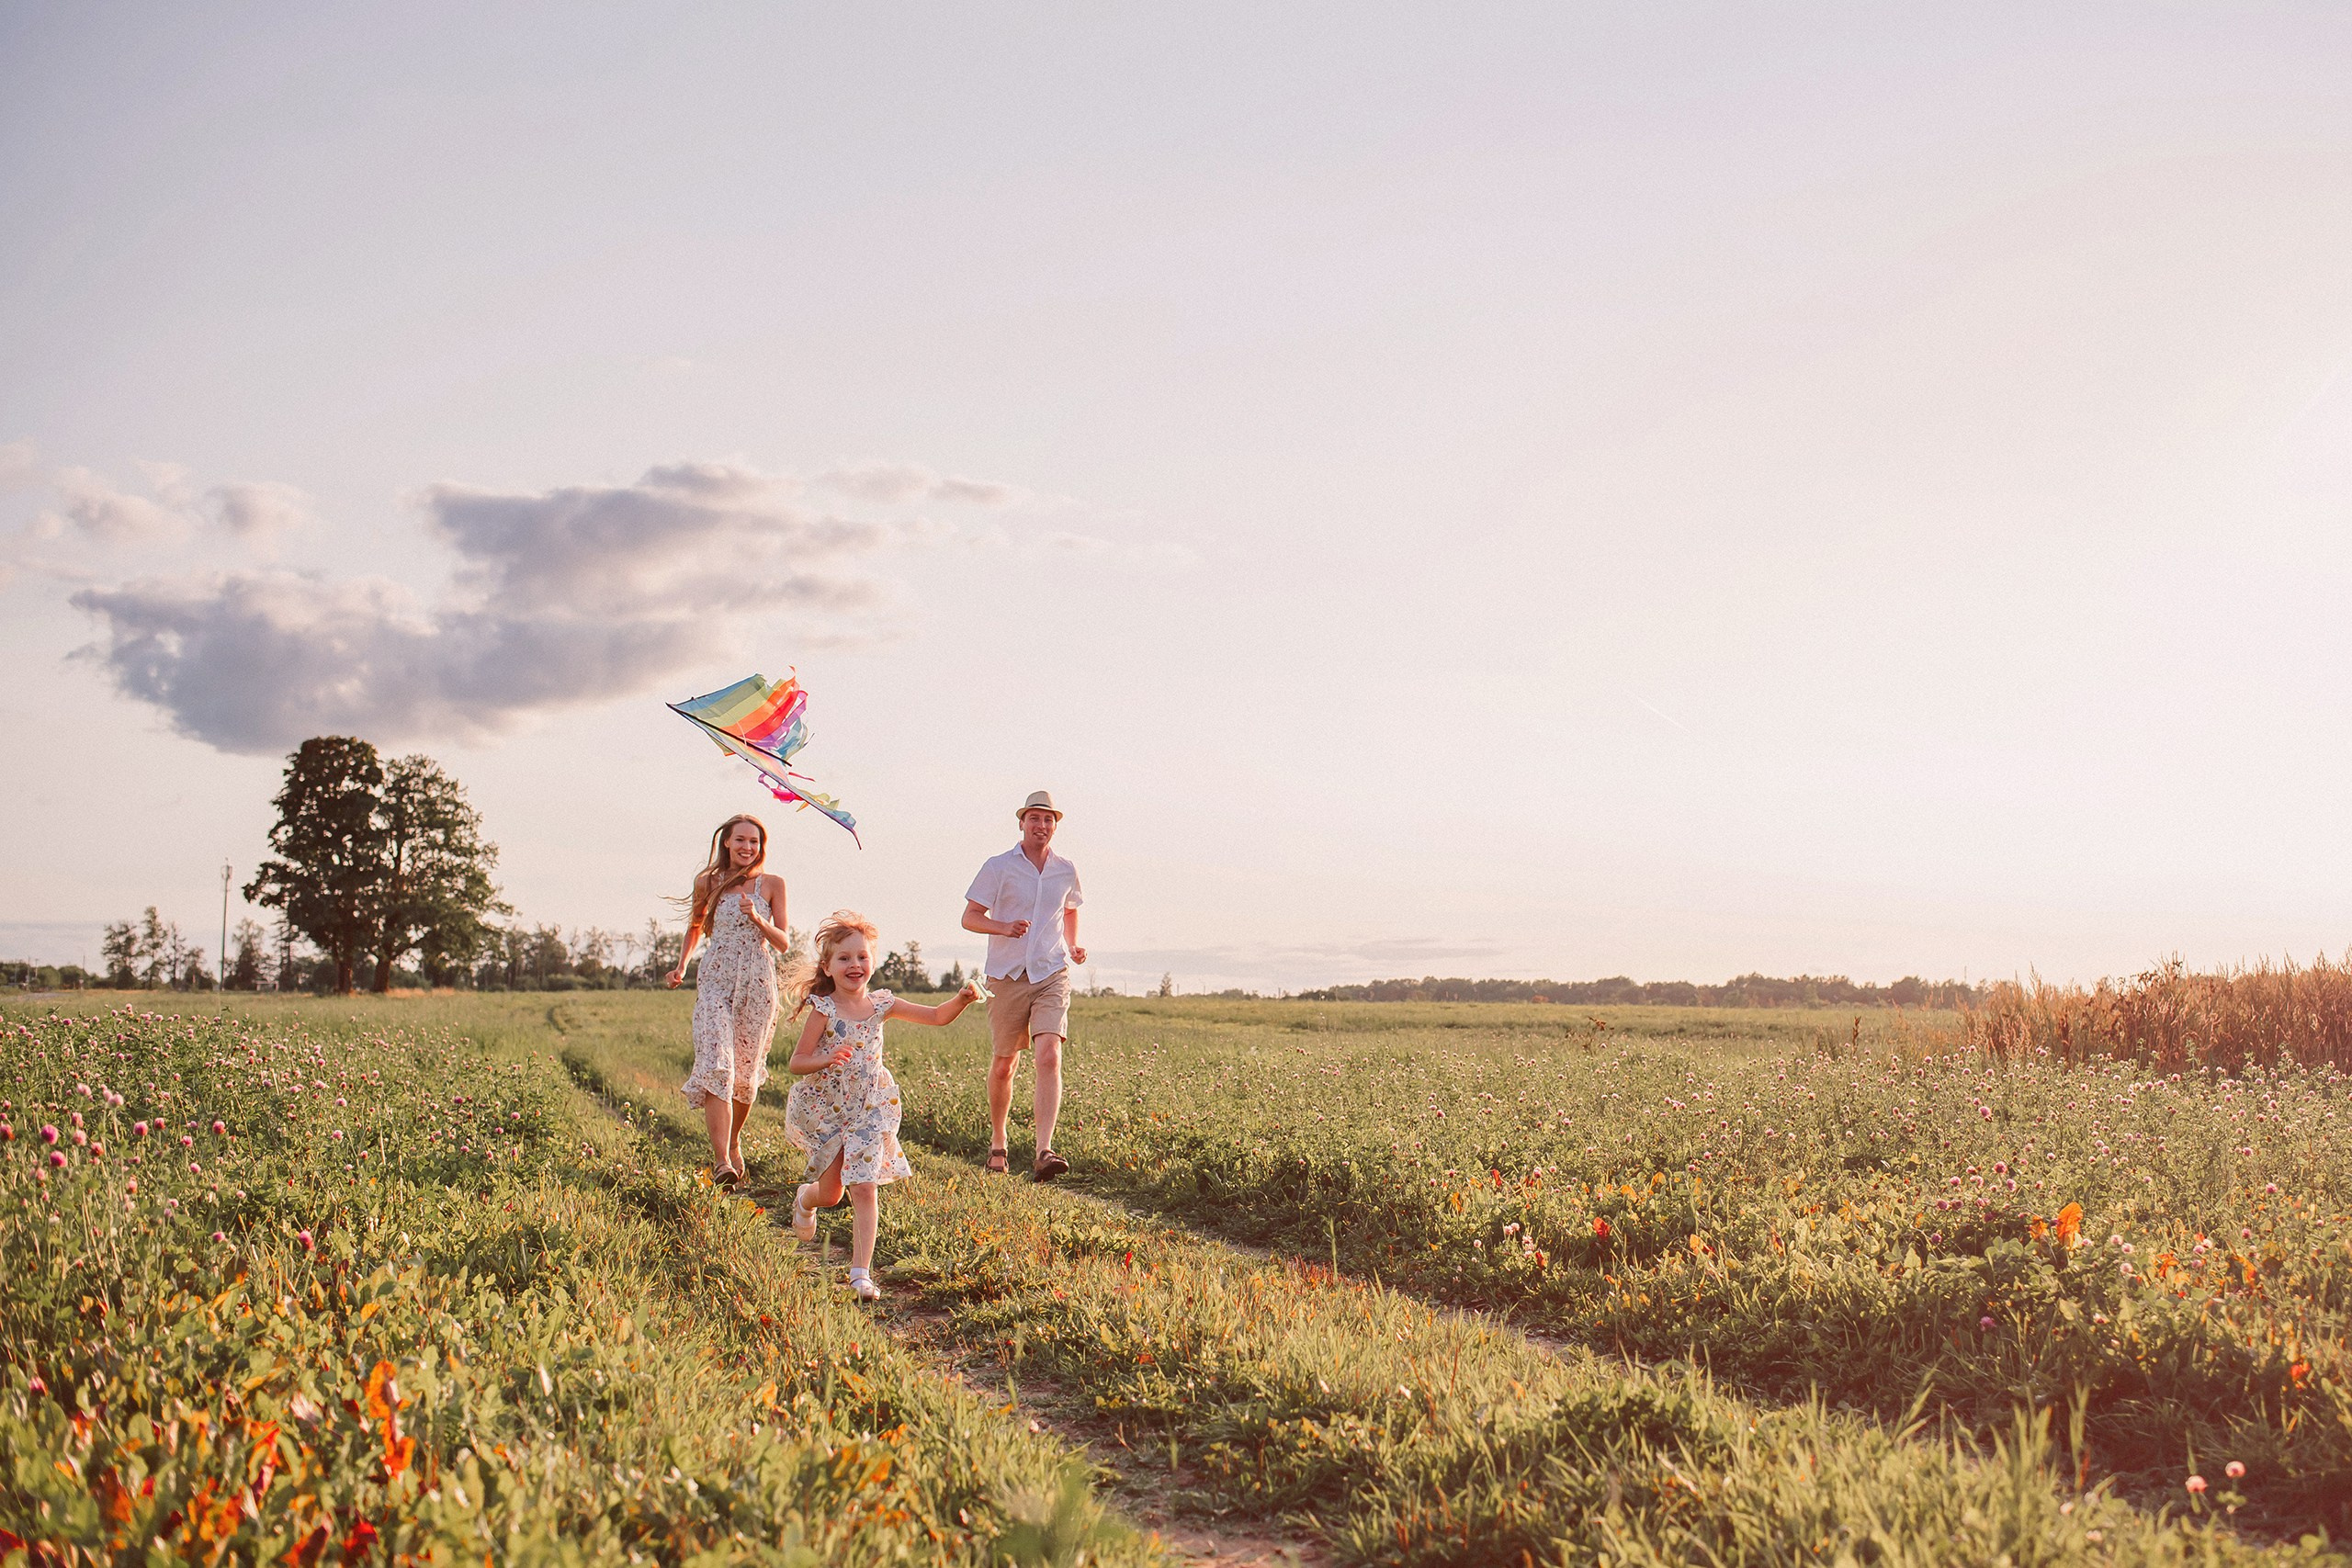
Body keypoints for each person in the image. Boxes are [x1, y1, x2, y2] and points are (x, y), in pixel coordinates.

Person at [785, 910, 979, 1299]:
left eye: (862, 956)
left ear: (873, 961)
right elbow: (797, 1062)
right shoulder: (823, 1010)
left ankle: (861, 1274)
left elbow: (937, 1017)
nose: (854, 964)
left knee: (864, 1188)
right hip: (830, 1108)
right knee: (831, 1194)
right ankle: (806, 1198)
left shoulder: (882, 1004)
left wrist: (962, 999)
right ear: (828, 967)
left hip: (870, 1109)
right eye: (844, 958)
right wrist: (825, 1058)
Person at [962, 790, 1087, 1180]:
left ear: (1055, 826)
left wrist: (1072, 945)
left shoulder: (1066, 869)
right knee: (1005, 1065)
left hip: (1051, 972)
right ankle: (998, 1142)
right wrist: (1004, 928)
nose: (1041, 825)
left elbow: (1070, 910)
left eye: (1048, 819)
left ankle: (1044, 1151)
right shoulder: (999, 866)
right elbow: (970, 917)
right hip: (1007, 976)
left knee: (1049, 1054)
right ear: (1022, 823)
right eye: (1034, 818)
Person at [669, 814, 796, 1187]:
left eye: (754, 842)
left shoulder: (772, 884)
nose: (747, 847)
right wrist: (681, 966)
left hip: (757, 982)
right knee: (717, 1063)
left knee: (744, 1076)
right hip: (716, 979)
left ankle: (734, 1140)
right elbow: (695, 927)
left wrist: (758, 918)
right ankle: (722, 1160)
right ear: (726, 841)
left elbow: (783, 942)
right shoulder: (707, 882)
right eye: (740, 840)